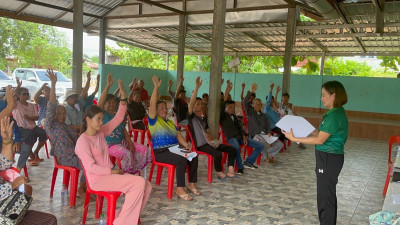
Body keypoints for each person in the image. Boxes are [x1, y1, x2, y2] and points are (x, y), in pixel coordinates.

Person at [75, 77, 151, 225]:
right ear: (88, 119)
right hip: (97, 180)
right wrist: (112, 172)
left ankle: (122, 216)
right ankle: (123, 222)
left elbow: (117, 119)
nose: (101, 123)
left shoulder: (100, 133)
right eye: (98, 119)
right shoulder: (82, 142)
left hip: (108, 175)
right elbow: (90, 167)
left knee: (146, 185)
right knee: (138, 183)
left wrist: (123, 98)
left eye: (102, 119)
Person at [282, 81, 348, 225]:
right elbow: (322, 134)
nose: (322, 98)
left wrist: (294, 138)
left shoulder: (334, 115)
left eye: (324, 95)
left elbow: (320, 140)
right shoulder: (335, 112)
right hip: (329, 157)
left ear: (334, 95)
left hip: (329, 158)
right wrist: (308, 128)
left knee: (325, 197)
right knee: (327, 195)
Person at [148, 75, 199, 201]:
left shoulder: (170, 122)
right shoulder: (154, 121)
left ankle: (191, 183)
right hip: (161, 152)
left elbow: (178, 135)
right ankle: (180, 188)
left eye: (165, 108)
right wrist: (156, 88)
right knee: (181, 160)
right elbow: (152, 104)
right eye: (161, 108)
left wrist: (186, 145)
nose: (164, 110)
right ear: (156, 110)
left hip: (174, 148)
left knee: (193, 156)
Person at [0, 116, 57, 225]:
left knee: (50, 219)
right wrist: (13, 184)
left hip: (6, 207)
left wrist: (7, 141)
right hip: (3, 215)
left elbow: (4, 163)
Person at [43, 69, 86, 198]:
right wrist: (53, 84)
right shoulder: (51, 125)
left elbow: (77, 140)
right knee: (88, 163)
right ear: (54, 115)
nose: (62, 115)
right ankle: (81, 188)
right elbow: (51, 106)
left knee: (92, 159)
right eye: (59, 113)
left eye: (63, 113)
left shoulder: (67, 127)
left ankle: (84, 186)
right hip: (64, 157)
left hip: (74, 155)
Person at [98, 74, 151, 175]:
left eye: (113, 102)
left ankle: (131, 172)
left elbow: (123, 129)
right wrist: (108, 86)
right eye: (109, 102)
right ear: (104, 104)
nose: (112, 104)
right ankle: (125, 176)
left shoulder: (116, 115)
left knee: (145, 149)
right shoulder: (102, 115)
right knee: (126, 154)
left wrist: (130, 141)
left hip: (123, 143)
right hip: (110, 145)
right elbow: (99, 104)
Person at [188, 77, 237, 180]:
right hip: (200, 145)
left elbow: (206, 128)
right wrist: (197, 88)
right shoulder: (191, 116)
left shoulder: (202, 117)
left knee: (232, 149)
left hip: (208, 142)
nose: (200, 105)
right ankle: (219, 172)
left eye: (201, 104)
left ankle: (231, 169)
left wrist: (209, 134)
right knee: (218, 154)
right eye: (198, 104)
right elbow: (191, 103)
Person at [220, 100, 264, 174]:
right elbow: (221, 105)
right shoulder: (223, 116)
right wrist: (227, 92)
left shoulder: (234, 116)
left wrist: (244, 136)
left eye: (233, 107)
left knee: (260, 145)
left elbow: (240, 127)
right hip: (231, 138)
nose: (232, 109)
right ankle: (240, 168)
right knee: (236, 148)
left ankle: (248, 162)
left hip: (240, 137)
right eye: (230, 107)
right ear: (225, 107)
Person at [243, 84, 283, 164]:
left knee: (279, 144)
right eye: (257, 104)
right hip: (255, 135)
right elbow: (244, 102)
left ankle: (267, 153)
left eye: (260, 104)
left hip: (265, 134)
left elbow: (268, 126)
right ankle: (266, 158)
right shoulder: (250, 113)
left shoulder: (264, 115)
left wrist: (268, 132)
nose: (259, 105)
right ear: (253, 105)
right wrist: (251, 92)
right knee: (263, 142)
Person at [12, 87, 47, 164]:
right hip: (20, 128)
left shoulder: (32, 105)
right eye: (24, 94)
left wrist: (29, 118)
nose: (26, 96)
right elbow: (10, 97)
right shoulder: (16, 105)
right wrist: (17, 86)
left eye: (27, 94)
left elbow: (37, 117)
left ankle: (36, 151)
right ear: (18, 95)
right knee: (29, 135)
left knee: (43, 133)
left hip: (32, 126)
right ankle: (31, 156)